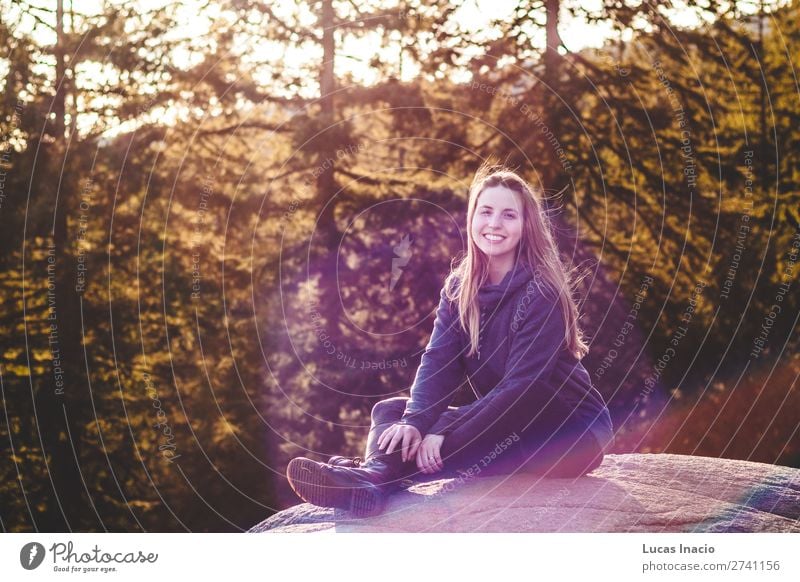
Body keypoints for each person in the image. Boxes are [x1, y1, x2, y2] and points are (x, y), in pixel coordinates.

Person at [286, 163, 614, 517]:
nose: (494, 224)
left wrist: (442, 428)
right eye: (485, 211)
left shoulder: (542, 292)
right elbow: (439, 361)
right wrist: (416, 421)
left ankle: (372, 473)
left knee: (456, 430)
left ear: (526, 225)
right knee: (391, 413)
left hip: (570, 431)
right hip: (511, 420)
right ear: (472, 217)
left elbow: (524, 388)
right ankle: (374, 477)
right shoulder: (460, 287)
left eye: (509, 215)